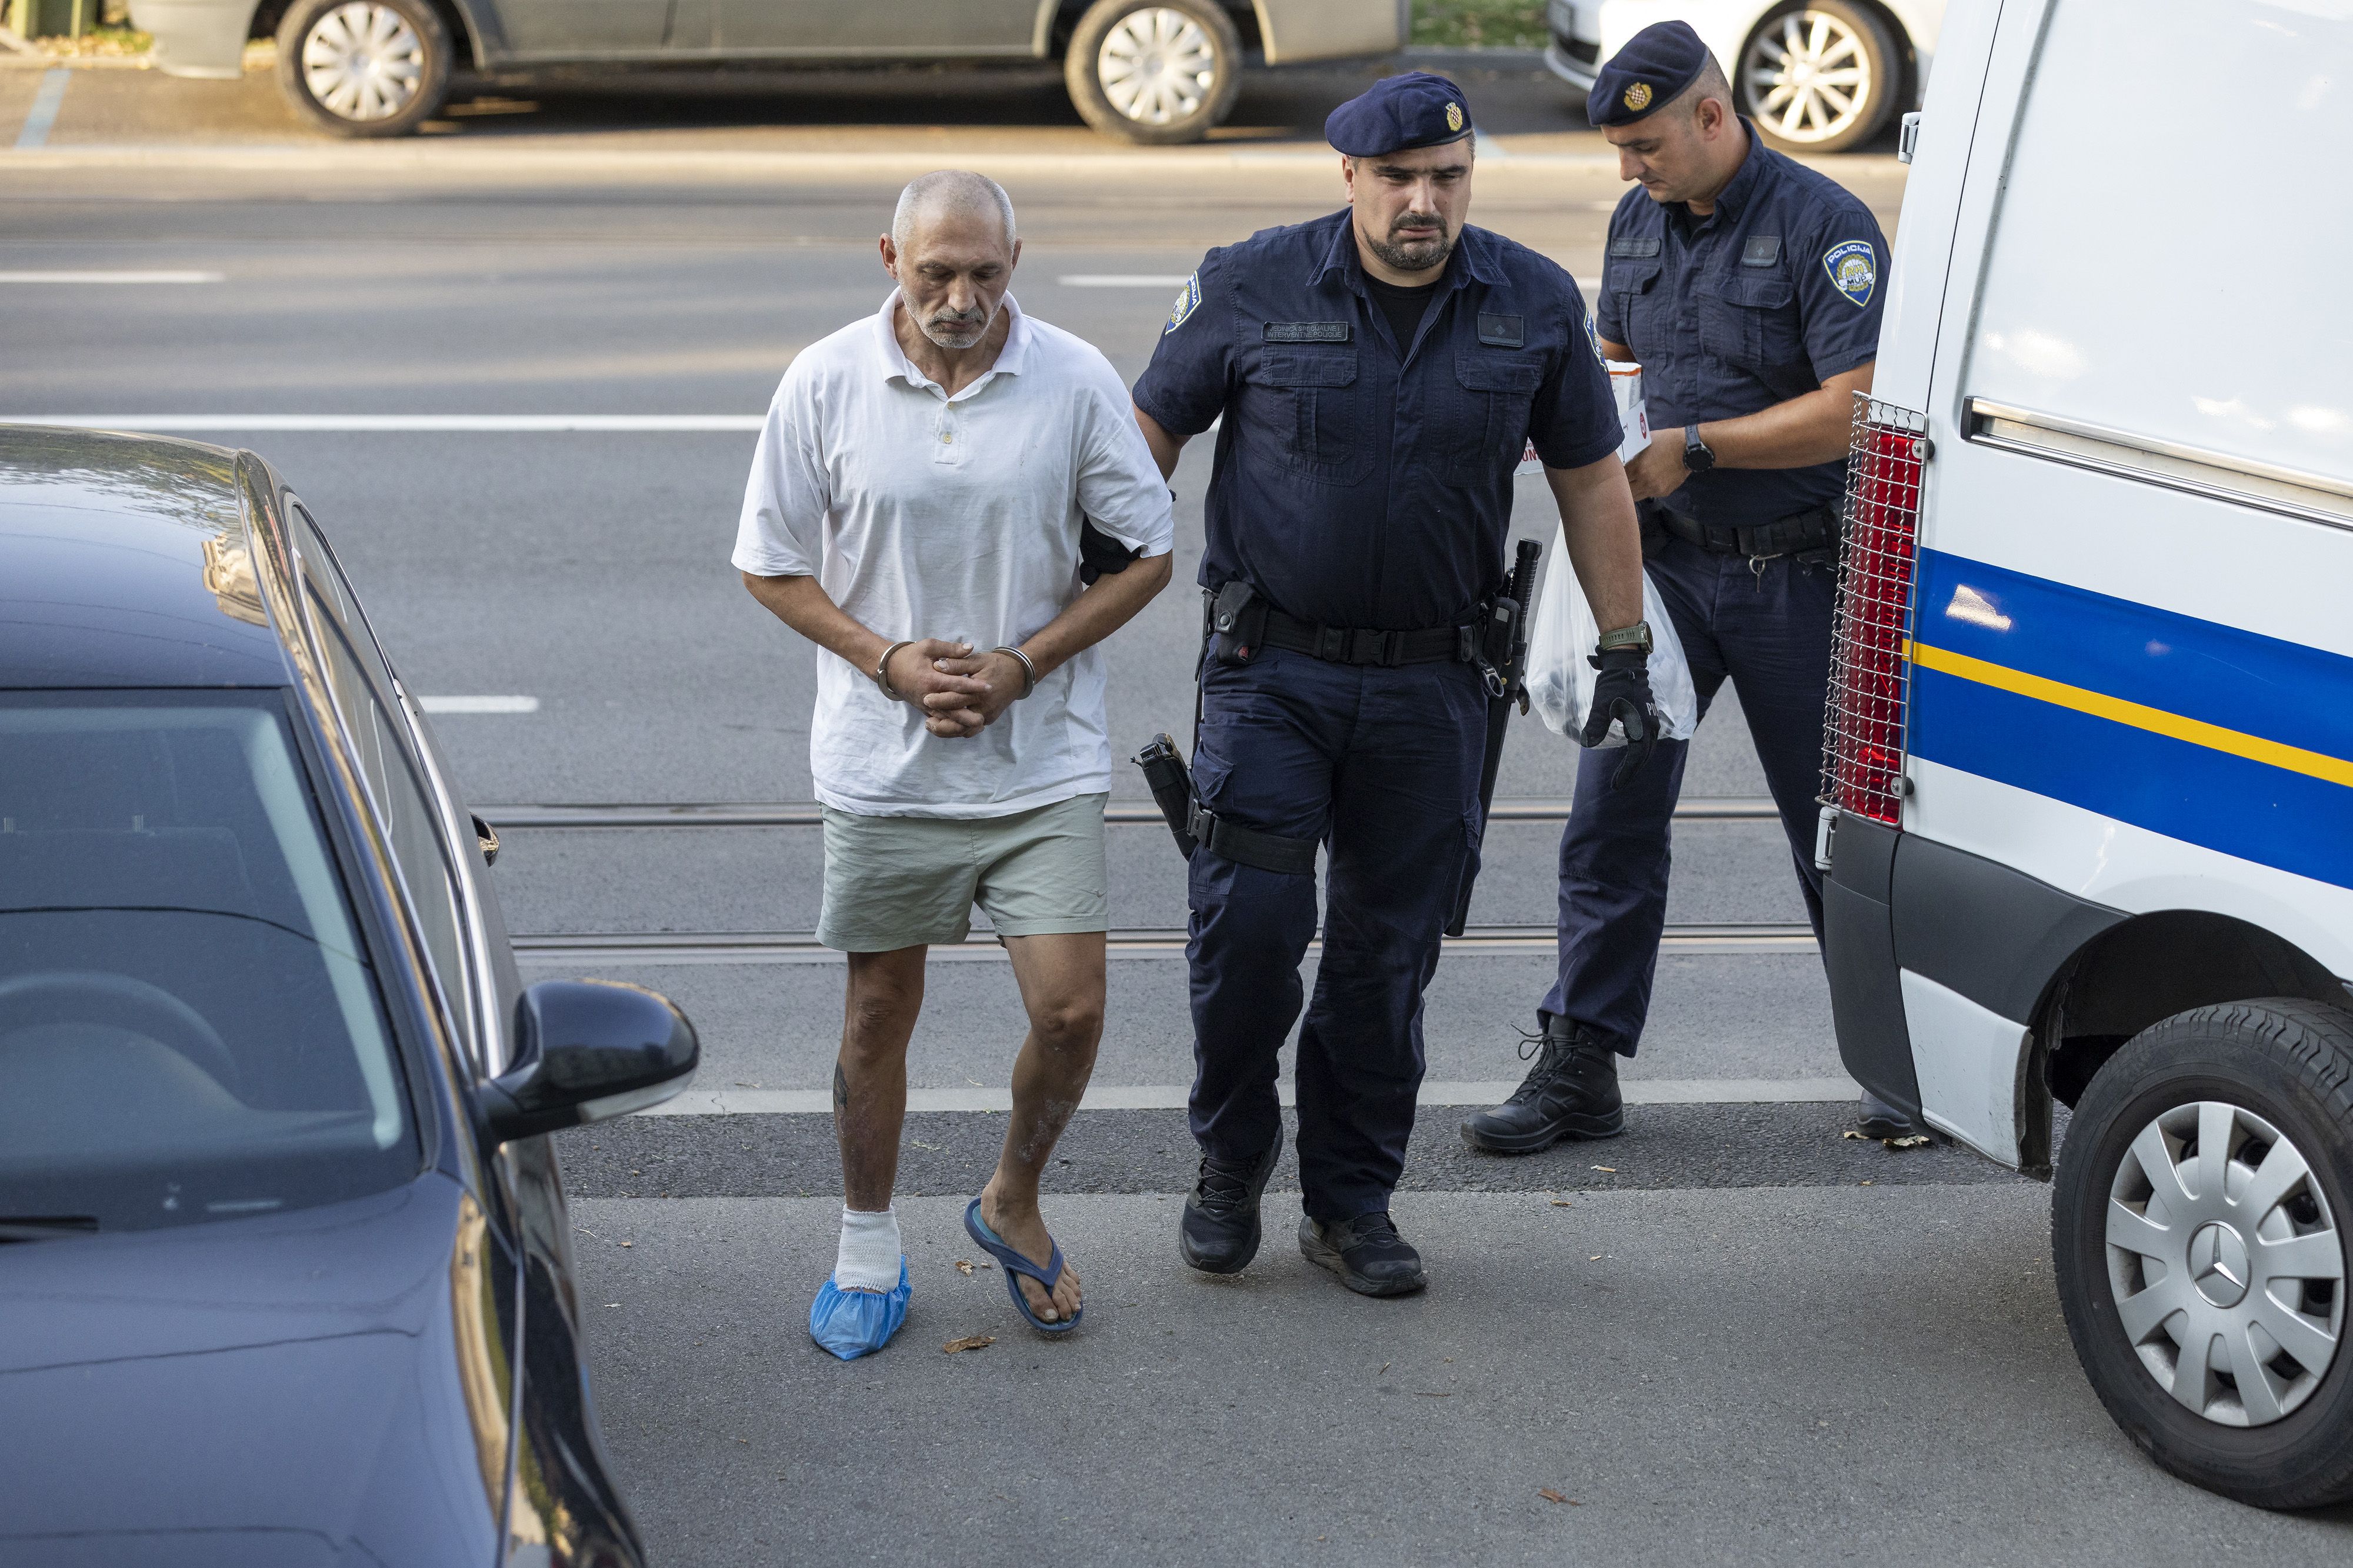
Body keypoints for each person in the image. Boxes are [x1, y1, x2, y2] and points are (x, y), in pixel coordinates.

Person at [1131, 72, 1654, 1297]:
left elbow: (1589, 477)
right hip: (1270, 674)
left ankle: (1349, 1200)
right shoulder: (1251, 280)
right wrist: (1067, 603)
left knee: (1385, 957)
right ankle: (1227, 1159)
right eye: (1398, 180)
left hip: (1432, 691)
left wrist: (1622, 646)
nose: (1423, 202)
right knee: (1247, 936)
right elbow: (1138, 442)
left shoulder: (1528, 299)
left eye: (1447, 180)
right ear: (1350, 178)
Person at [734, 169, 1174, 1358]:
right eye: (937, 273)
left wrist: (1023, 665)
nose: (962, 296)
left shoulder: (1074, 378)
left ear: (1015, 260)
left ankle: (1009, 1196)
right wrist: (884, 660)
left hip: (1039, 760)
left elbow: (1147, 553)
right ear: (889, 257)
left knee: (1073, 1009)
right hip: (885, 766)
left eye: (984, 272)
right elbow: (768, 562)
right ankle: (865, 1245)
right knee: (880, 1008)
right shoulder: (825, 380)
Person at [1458, 22, 1911, 1155]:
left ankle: (1906, 1070)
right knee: (1609, 819)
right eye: (1618, 149)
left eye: (1646, 144)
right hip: (1661, 567)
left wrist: (1698, 447)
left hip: (1791, 572)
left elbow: (1858, 405)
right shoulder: (1635, 223)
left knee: (1835, 833)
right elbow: (1617, 370)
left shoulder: (1826, 225)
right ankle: (1581, 1066)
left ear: (1714, 116)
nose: (1629, 169)